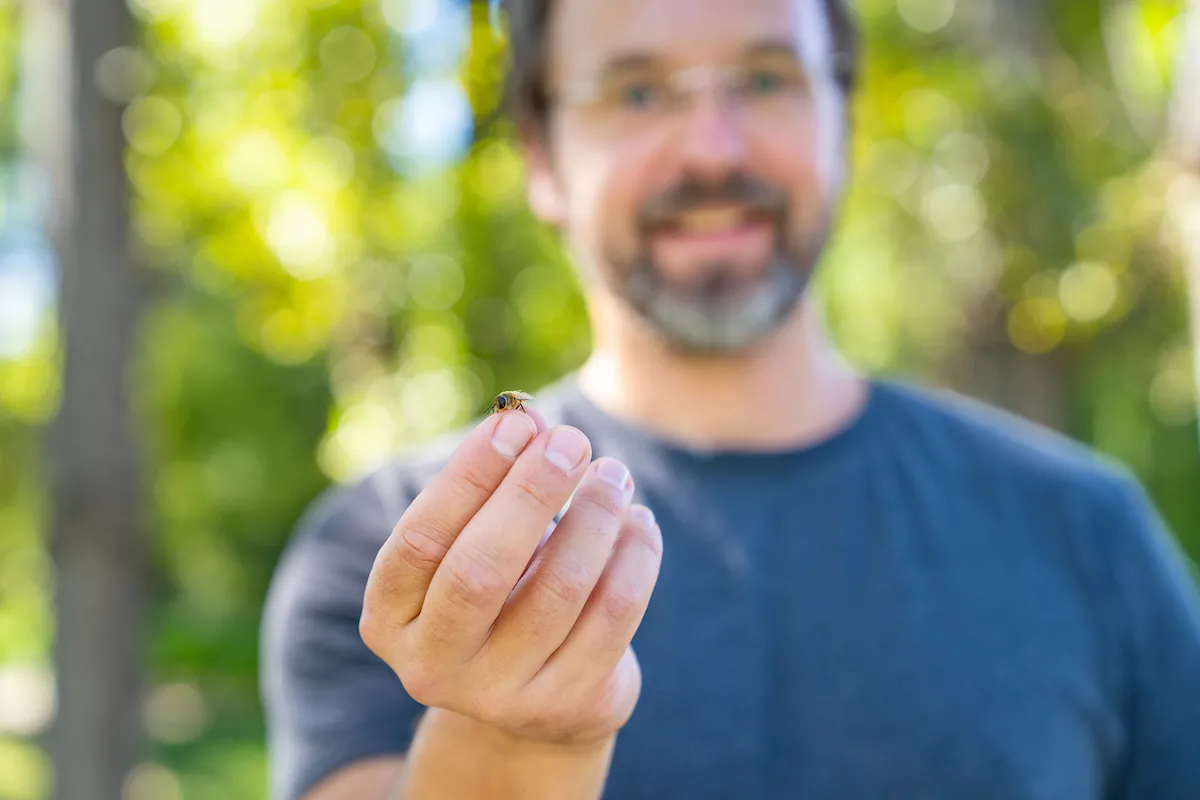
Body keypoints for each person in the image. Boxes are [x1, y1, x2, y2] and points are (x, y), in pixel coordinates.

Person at [259, 0, 1200, 796]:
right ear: (542, 159)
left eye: (766, 79)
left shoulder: (1089, 533)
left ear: (845, 118)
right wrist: (517, 742)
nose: (713, 149)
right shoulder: (395, 556)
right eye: (636, 92)